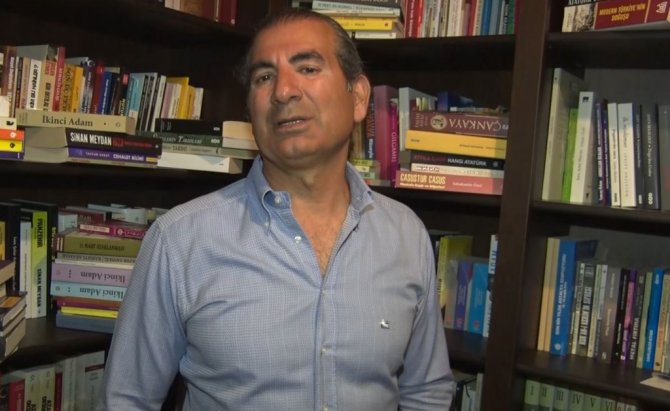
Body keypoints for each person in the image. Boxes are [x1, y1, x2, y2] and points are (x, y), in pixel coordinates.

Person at [98, 8, 454, 410]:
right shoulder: (180, 241)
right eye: (264, 77)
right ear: (250, 110)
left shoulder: (406, 235)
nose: (283, 91)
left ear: (357, 98)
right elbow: (126, 401)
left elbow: (426, 391)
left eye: (308, 68)